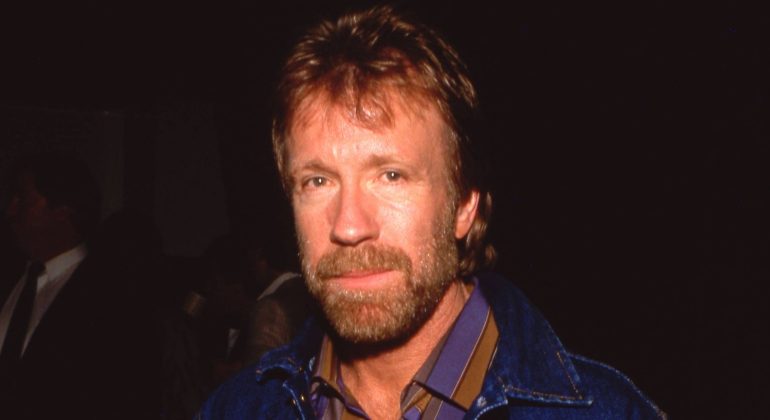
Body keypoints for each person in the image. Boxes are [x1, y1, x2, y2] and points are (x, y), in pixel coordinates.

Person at [198, 6, 665, 419]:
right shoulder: (236, 410)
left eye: (391, 176)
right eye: (318, 181)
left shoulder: (610, 413)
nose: (348, 226)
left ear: (465, 204)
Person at [0, 153, 155, 419]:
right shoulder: (10, 277)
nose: (10, 210)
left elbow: (120, 397)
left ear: (62, 211)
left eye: (23, 200)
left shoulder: (110, 296)